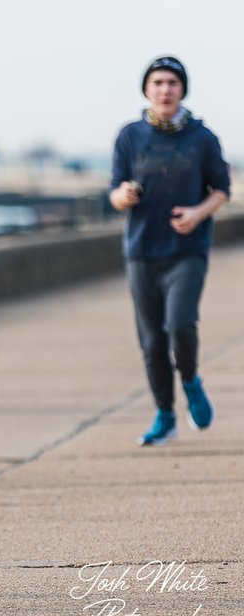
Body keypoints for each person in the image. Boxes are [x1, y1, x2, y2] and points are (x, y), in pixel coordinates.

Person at [109, 56, 230, 446]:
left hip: (187, 250)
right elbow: (113, 192)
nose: (165, 89)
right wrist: (123, 196)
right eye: (158, 82)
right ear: (147, 89)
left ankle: (191, 380)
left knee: (179, 326)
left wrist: (197, 214)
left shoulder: (202, 138)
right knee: (151, 341)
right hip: (141, 251)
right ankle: (165, 415)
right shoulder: (129, 136)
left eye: (172, 83)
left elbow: (222, 190)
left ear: (183, 90)